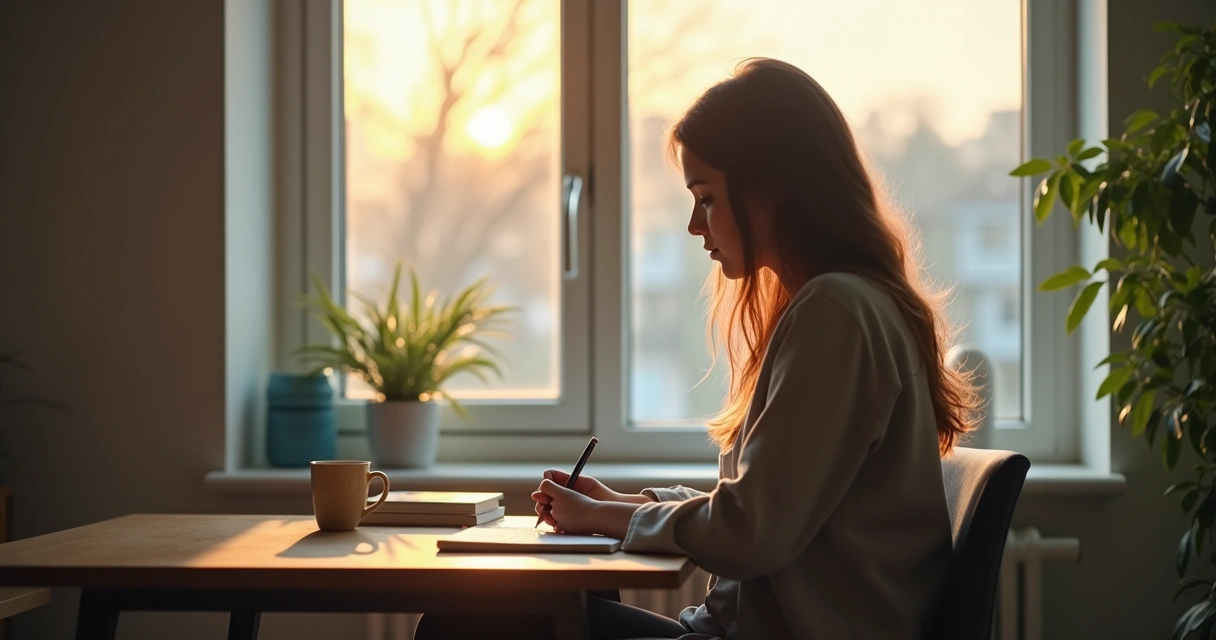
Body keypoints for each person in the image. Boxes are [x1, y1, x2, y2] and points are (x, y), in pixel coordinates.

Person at [416, 57, 979, 640]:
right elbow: (765, 506)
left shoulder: (835, 313)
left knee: (462, 627)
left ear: (771, 191)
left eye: (706, 197)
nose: (693, 224)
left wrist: (609, 517)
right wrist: (624, 504)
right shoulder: (845, 305)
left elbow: (751, 531)